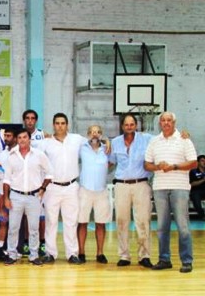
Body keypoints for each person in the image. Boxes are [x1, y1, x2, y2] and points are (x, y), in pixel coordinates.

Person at [144, 111, 197, 273]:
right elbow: (147, 164)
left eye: (169, 120)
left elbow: (194, 163)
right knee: (161, 227)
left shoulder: (184, 139)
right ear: (159, 123)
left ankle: (186, 261)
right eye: (163, 120)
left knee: (183, 226)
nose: (166, 123)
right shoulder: (154, 141)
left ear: (174, 123)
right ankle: (164, 259)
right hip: (160, 188)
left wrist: (174, 167)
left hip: (180, 187)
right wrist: (158, 166)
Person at [39, 113, 90, 264]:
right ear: (53, 125)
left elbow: (94, 141)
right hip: (52, 187)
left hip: (71, 187)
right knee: (51, 221)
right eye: (57, 123)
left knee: (71, 222)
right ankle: (50, 253)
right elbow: (31, 151)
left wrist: (106, 140)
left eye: (63, 123)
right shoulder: (45, 143)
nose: (60, 126)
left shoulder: (77, 139)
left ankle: (72, 254)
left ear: (67, 125)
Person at [109, 114, 154, 268]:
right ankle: (124, 255)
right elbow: (109, 162)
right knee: (121, 220)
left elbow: (164, 139)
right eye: (126, 124)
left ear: (136, 125)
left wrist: (182, 135)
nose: (129, 127)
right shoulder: (115, 142)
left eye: (132, 124)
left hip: (141, 184)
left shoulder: (147, 139)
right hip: (121, 185)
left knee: (143, 221)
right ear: (122, 126)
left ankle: (144, 256)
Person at [2, 130, 52, 266]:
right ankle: (12, 254)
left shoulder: (39, 155)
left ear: (29, 139)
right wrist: (6, 198)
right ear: (16, 140)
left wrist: (43, 188)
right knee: (13, 227)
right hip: (15, 196)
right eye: (19, 137)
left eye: (25, 137)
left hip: (34, 196)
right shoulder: (11, 156)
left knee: (34, 228)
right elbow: (6, 180)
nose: (22, 140)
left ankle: (34, 255)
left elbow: (49, 173)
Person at [77, 125, 111, 264]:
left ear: (101, 134)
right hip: (85, 190)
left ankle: (100, 253)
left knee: (101, 224)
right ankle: (81, 253)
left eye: (97, 132)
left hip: (101, 191)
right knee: (82, 223)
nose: (94, 134)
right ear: (87, 134)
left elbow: (112, 162)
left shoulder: (107, 149)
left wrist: (107, 141)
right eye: (91, 132)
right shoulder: (81, 148)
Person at [189, 155, 205, 219]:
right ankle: (202, 215)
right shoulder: (193, 171)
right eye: (202, 161)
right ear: (198, 162)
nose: (204, 162)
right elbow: (192, 184)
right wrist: (203, 180)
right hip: (196, 191)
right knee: (195, 196)